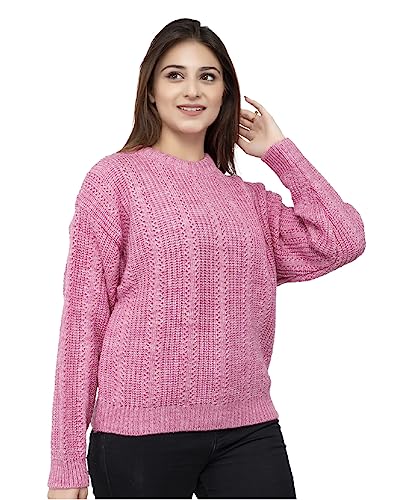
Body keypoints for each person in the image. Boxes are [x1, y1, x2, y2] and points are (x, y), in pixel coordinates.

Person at [47, 17, 366, 499]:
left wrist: (279, 152)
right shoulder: (113, 182)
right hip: (138, 434)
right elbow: (82, 322)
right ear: (150, 90)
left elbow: (343, 238)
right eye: (174, 75)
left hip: (247, 428)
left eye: (208, 76)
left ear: (225, 95)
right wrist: (66, 464)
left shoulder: (248, 201)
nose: (192, 90)